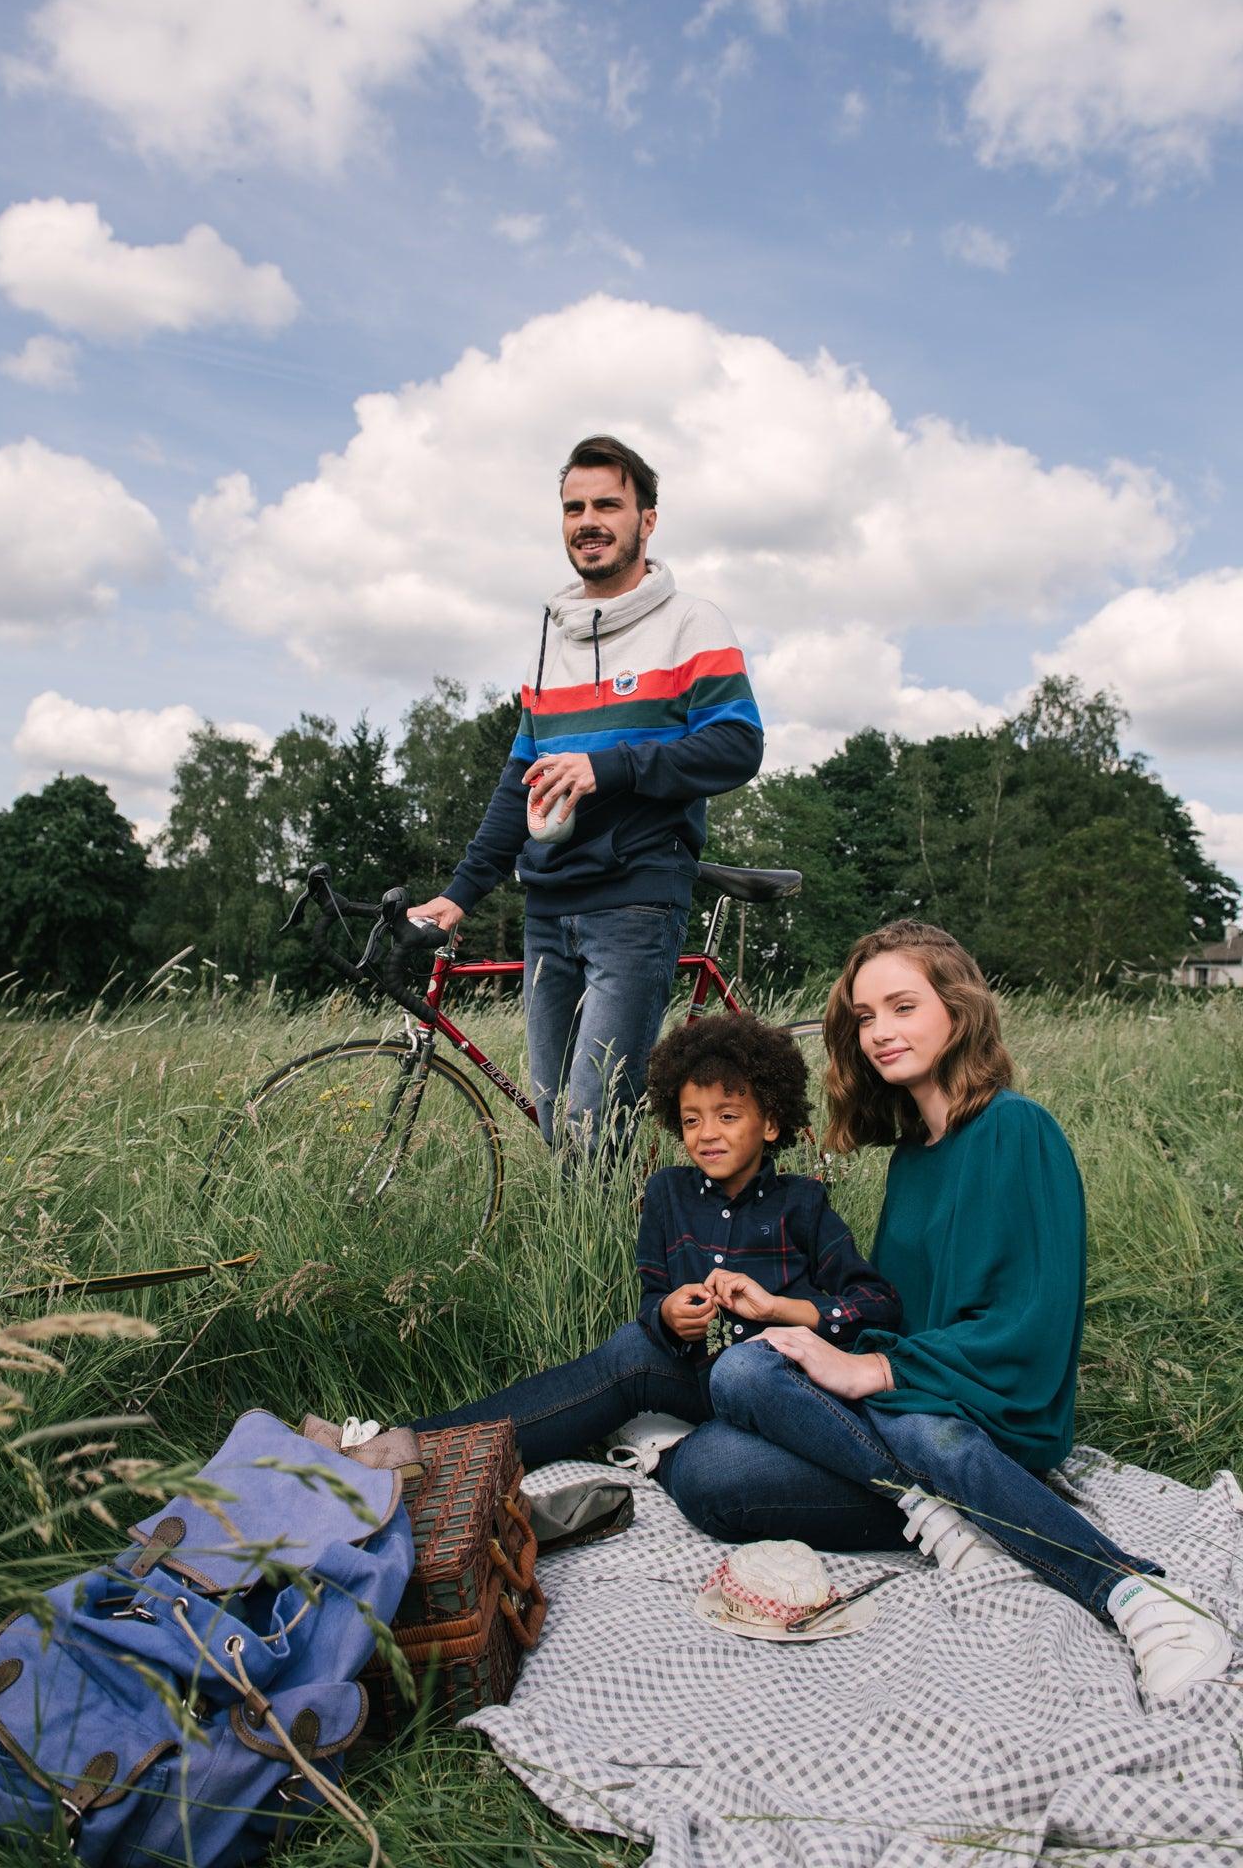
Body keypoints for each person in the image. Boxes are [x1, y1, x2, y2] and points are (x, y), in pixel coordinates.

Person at [670, 921, 1233, 1704]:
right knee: (715, 1440)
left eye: (902, 1006)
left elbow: (1027, 1334)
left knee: (920, 1427)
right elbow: (898, 1316)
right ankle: (945, 1513)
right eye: (865, 1018)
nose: (880, 1033)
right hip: (911, 1411)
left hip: (988, 1416)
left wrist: (874, 1368)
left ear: (958, 1010)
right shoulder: (911, 1161)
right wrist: (796, 1319)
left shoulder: (1016, 1129)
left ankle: (1138, 1597)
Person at [409, 435, 764, 1150]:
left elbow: (738, 744)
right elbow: (520, 779)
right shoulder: (552, 636)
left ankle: (606, 1265)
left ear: (648, 519)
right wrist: (462, 892)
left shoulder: (692, 623)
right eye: (574, 507)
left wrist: (612, 766)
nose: (588, 520)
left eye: (608, 503)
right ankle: (598, 1247)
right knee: (554, 1127)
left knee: (597, 1127)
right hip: (549, 906)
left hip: (635, 897)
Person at [414, 1014, 901, 1462]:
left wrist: (779, 1309)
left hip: (779, 1389)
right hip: (697, 1381)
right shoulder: (667, 1193)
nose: (707, 1133)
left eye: (728, 1116)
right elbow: (652, 1298)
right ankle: (421, 1450)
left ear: (771, 1123)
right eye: (692, 1119)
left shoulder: (803, 1202)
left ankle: (678, 1451)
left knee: (726, 1406)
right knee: (631, 1349)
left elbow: (876, 1304)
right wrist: (669, 1315)